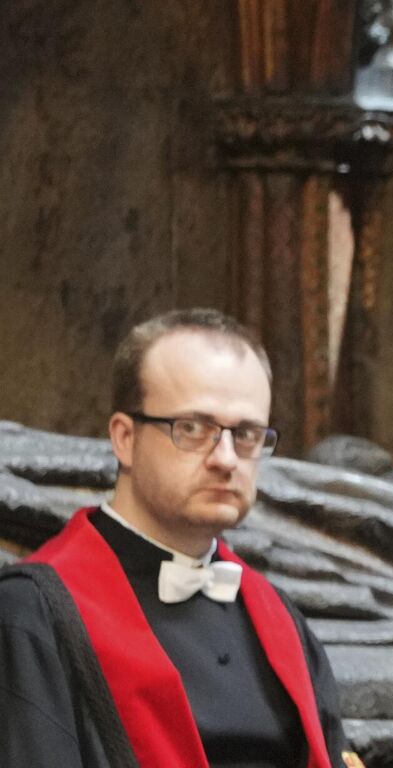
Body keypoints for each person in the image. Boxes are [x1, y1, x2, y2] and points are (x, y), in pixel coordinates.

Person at [0, 309, 354, 767]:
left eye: (245, 434)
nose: (226, 458)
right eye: (192, 428)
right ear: (124, 438)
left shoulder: (281, 618)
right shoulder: (32, 613)